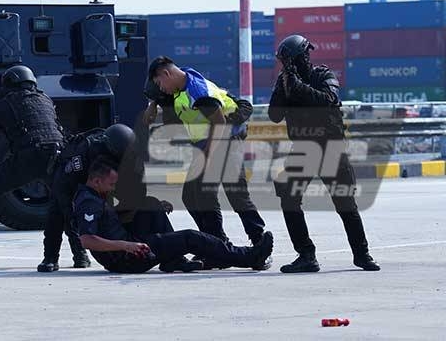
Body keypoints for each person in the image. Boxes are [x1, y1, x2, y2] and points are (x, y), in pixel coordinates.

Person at [269, 34, 380, 273]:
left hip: (330, 149)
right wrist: (284, 84)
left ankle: (362, 254)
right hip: (303, 150)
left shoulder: (324, 75)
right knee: (289, 200)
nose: (288, 65)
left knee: (345, 204)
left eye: (290, 61)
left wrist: (296, 85)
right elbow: (274, 115)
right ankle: (306, 254)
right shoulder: (286, 80)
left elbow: (327, 100)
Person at [148, 56, 267, 262]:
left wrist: (208, 158)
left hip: (226, 138)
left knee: (234, 194)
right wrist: (153, 103)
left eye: (159, 84)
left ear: (167, 74)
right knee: (191, 196)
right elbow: (170, 104)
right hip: (205, 143)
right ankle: (215, 246)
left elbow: (219, 124)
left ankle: (259, 244)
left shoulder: (197, 90)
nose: (161, 89)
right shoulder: (181, 82)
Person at [74, 158, 274, 273]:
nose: (113, 189)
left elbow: (107, 218)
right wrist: (127, 246)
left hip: (127, 247)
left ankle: (173, 259)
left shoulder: (93, 195)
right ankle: (250, 257)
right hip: (127, 258)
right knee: (190, 237)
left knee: (149, 203)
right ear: (97, 181)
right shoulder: (88, 202)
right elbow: (87, 240)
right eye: (111, 185)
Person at [0, 65, 65, 269]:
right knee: (63, 202)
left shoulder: (6, 103)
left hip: (29, 156)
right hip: (57, 154)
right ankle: (80, 256)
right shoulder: (46, 100)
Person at [38, 123, 139, 272]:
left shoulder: (120, 151)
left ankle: (80, 257)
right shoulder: (83, 153)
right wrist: (72, 214)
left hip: (95, 182)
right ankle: (51, 258)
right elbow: (65, 189)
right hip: (67, 180)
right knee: (60, 214)